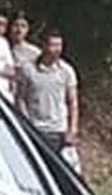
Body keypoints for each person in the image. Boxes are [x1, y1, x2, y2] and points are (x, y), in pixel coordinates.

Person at [16, 28, 78, 158]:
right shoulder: (28, 69)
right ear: (43, 46)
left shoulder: (67, 71)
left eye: (59, 45)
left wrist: (72, 129)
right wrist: (26, 122)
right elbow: (21, 97)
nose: (56, 49)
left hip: (58, 130)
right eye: (53, 45)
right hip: (35, 128)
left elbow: (72, 102)